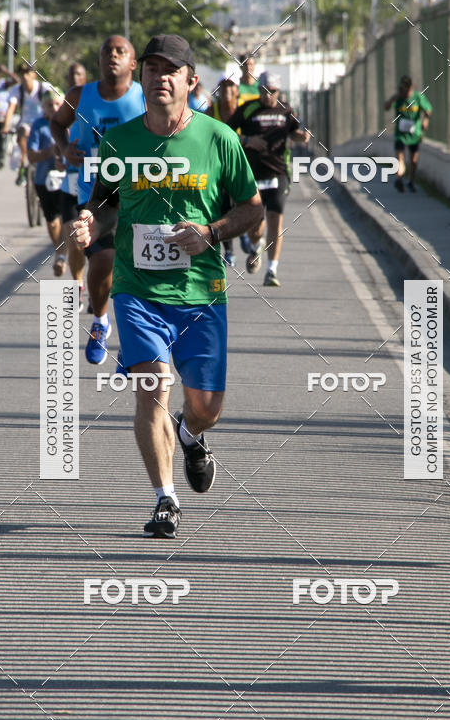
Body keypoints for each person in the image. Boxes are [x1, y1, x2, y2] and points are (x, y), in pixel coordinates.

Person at [72, 33, 263, 538]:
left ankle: (191, 435)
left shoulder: (219, 139)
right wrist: (89, 221)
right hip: (138, 291)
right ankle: (165, 498)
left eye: (170, 70)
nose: (159, 77)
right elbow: (104, 199)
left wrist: (213, 232)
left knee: (206, 406)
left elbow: (251, 207)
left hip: (203, 292)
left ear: (190, 80)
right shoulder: (122, 142)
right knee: (151, 387)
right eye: (152, 68)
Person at [50, 36, 146, 363]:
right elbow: (57, 122)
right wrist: (64, 148)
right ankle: (101, 321)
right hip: (95, 198)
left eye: (121, 52)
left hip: (140, 196)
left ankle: (137, 352)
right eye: (107, 51)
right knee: (103, 262)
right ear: (100, 60)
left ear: (133, 63)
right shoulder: (80, 95)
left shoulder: (145, 97)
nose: (113, 56)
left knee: (140, 275)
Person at [228, 71, 309, 287]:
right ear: (258, 89)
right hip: (252, 174)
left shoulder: (286, 111)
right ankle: (256, 247)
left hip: (278, 173)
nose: (268, 96)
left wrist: (300, 137)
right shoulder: (248, 109)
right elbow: (226, 132)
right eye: (264, 91)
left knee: (276, 219)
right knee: (255, 225)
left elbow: (293, 132)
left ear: (278, 91)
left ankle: (272, 270)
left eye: (272, 92)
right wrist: (247, 139)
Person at [57, 62, 88, 311]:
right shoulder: (64, 109)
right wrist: (61, 151)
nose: (74, 78)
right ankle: (77, 285)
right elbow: (53, 128)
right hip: (69, 181)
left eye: (79, 74)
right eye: (71, 74)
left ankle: (100, 285)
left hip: (93, 182)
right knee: (72, 233)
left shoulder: (93, 107)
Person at [27, 89, 68, 275]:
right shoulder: (39, 125)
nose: (54, 108)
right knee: (52, 222)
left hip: (67, 180)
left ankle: (61, 256)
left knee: (68, 219)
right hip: (44, 180)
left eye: (57, 104)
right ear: (43, 107)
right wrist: (50, 151)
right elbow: (31, 156)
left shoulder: (71, 122)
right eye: (49, 105)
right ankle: (60, 250)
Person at [207, 71, 241, 268]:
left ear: (236, 90)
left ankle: (244, 235)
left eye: (230, 86)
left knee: (245, 205)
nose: (227, 90)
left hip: (242, 166)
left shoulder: (243, 110)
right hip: (219, 167)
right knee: (223, 208)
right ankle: (229, 250)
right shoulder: (212, 112)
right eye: (223, 86)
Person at [2, 64, 52, 185]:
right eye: (22, 74)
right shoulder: (17, 90)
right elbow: (11, 109)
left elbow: (55, 99)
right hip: (26, 123)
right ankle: (24, 165)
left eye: (27, 74)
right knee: (22, 133)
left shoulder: (43, 87)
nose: (24, 77)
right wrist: (6, 126)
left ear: (34, 75)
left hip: (42, 123)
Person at [384, 75, 432, 193]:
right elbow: (386, 107)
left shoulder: (418, 97)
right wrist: (393, 98)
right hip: (400, 134)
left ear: (411, 87)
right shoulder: (399, 98)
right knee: (400, 157)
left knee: (413, 160)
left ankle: (410, 181)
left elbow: (428, 110)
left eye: (407, 88)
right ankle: (399, 179)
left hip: (414, 133)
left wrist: (425, 121)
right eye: (402, 88)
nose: (405, 91)